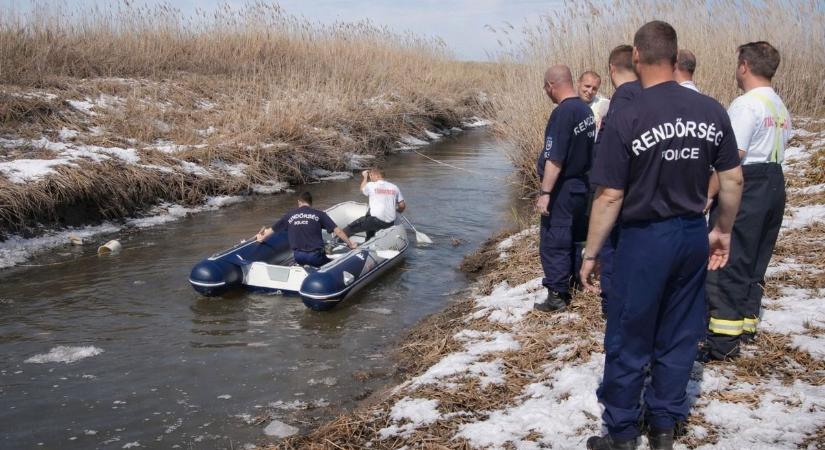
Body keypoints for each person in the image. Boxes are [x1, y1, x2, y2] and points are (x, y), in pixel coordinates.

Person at [580, 21, 743, 450]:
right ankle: (665, 424)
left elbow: (611, 194)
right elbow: (733, 180)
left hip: (643, 239)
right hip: (691, 232)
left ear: (636, 56)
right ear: (675, 57)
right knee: (679, 332)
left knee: (629, 336)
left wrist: (591, 252)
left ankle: (621, 433)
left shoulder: (627, 112)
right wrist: (722, 230)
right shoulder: (712, 110)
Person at [703, 41, 791, 361]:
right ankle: (747, 325)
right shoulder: (778, 105)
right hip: (774, 182)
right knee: (756, 259)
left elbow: (733, 159)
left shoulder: (745, 104)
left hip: (748, 184)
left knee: (729, 260)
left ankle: (723, 342)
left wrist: (707, 193)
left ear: (744, 66)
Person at [533, 65, 595, 312]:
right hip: (582, 187)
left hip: (563, 188)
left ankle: (557, 295)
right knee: (573, 238)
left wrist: (546, 193)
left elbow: (555, 157)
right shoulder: (584, 110)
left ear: (551, 85)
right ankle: (572, 282)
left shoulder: (563, 113)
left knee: (554, 240)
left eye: (546, 88)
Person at [590, 44, 643, 316]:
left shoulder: (620, 104)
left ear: (611, 69)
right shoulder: (651, 97)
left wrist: (590, 253)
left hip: (622, 202)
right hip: (651, 204)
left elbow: (610, 184)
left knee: (614, 256)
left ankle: (613, 310)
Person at [256, 192, 356, 267]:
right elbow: (338, 231)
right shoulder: (319, 214)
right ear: (311, 203)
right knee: (333, 263)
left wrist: (261, 237)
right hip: (315, 257)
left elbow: (271, 231)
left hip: (298, 257)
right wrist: (351, 244)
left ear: (299, 202)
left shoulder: (289, 215)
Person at [343, 167, 405, 240]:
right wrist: (397, 211)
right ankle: (369, 238)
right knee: (369, 215)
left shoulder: (371, 185)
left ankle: (333, 243)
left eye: (371, 176)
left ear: (376, 176)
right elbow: (402, 205)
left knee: (350, 228)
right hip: (389, 223)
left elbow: (362, 189)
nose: (370, 178)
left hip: (375, 221)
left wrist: (365, 177)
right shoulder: (394, 187)